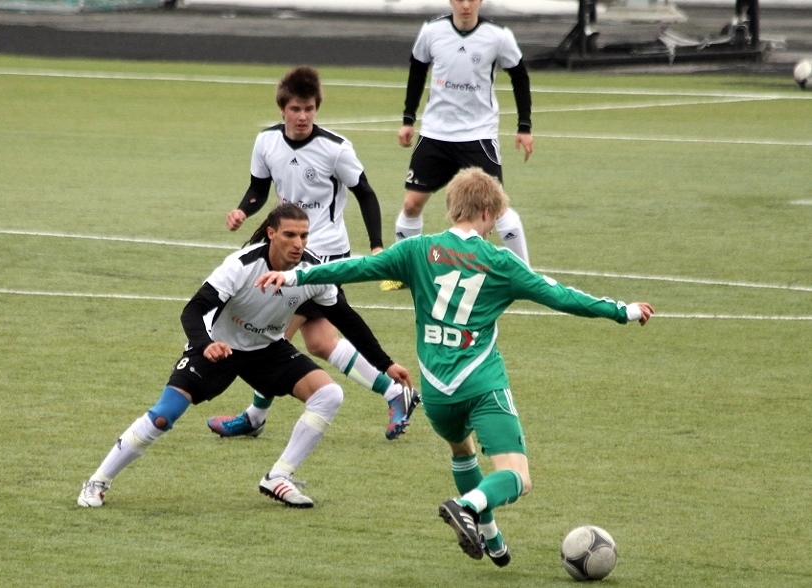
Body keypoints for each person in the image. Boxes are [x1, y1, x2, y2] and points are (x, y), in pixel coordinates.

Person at [256, 168, 654, 563]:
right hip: (481, 384)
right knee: (517, 476)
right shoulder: (499, 261)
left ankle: (490, 536)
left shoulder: (417, 250)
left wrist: (294, 278)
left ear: (451, 207)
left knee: (463, 452)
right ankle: (467, 506)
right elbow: (561, 296)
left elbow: (354, 268)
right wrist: (623, 311)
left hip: (436, 394)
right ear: (487, 212)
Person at [77, 203, 411, 509]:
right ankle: (97, 481)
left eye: (304, 235)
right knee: (164, 416)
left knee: (329, 395)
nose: (298, 243)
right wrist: (204, 344)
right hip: (218, 346)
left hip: (267, 349)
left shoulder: (314, 272)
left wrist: (386, 364)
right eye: (290, 235)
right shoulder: (241, 265)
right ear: (271, 233)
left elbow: (347, 320)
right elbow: (193, 310)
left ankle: (279, 476)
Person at [214, 65, 419, 441]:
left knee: (273, 338)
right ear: (282, 109)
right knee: (320, 342)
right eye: (296, 109)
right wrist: (243, 210)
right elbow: (258, 188)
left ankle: (255, 416)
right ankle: (395, 392)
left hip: (324, 257)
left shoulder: (335, 148)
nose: (303, 116)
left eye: (309, 108)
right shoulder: (266, 141)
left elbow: (366, 193)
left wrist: (376, 245)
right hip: (287, 251)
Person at [381, 0, 534, 291]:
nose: (465, 5)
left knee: (497, 209)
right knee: (411, 204)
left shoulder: (498, 36)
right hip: (435, 134)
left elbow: (520, 76)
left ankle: (526, 276)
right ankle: (404, 272)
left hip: (478, 135)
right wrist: (408, 119)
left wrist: (524, 126)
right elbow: (417, 71)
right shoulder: (431, 31)